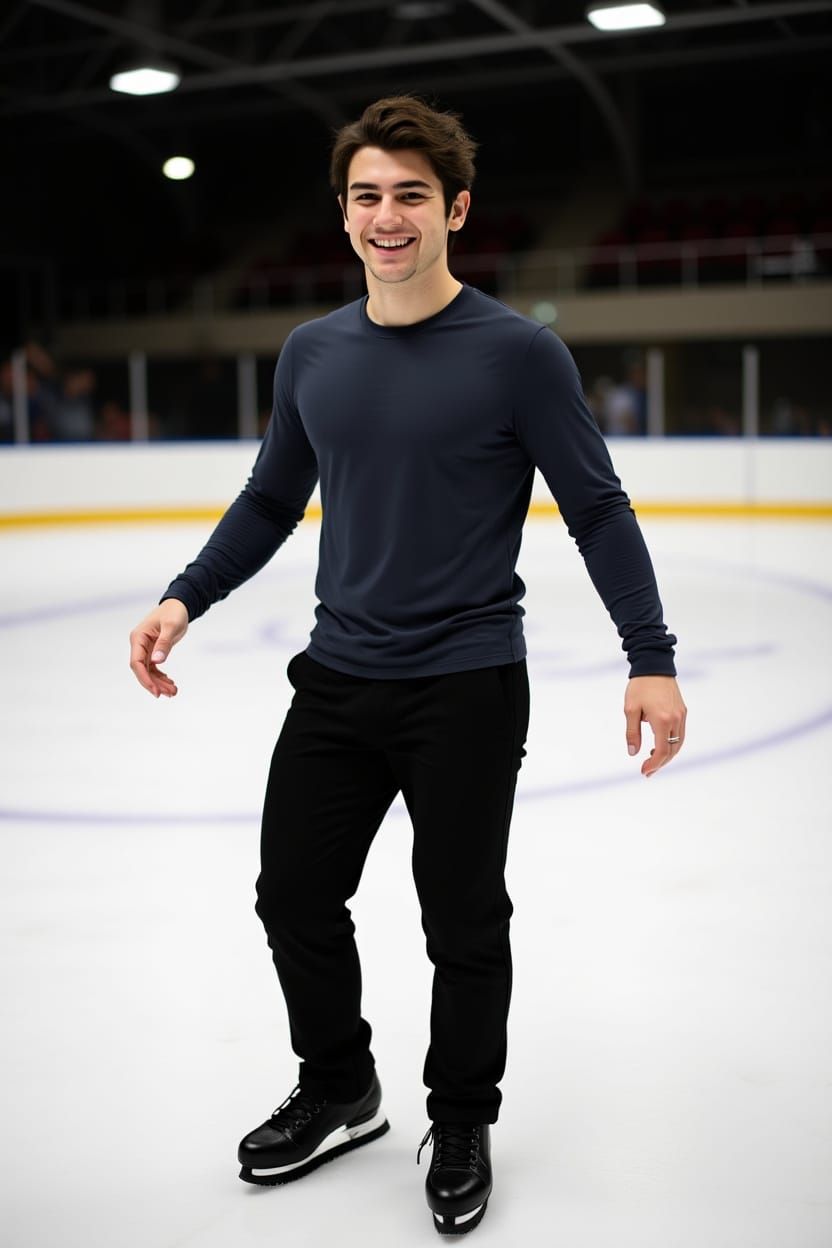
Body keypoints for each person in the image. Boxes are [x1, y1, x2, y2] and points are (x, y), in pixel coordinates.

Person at [128, 94, 687, 1237]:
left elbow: (597, 507)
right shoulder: (312, 352)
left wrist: (650, 656)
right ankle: (341, 1085)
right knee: (291, 894)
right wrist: (187, 593)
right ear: (344, 217)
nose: (388, 217)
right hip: (339, 674)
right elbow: (273, 495)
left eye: (411, 196)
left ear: (456, 209)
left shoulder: (518, 354)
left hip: (468, 682)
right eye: (367, 197)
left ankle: (462, 1115)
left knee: (462, 920)